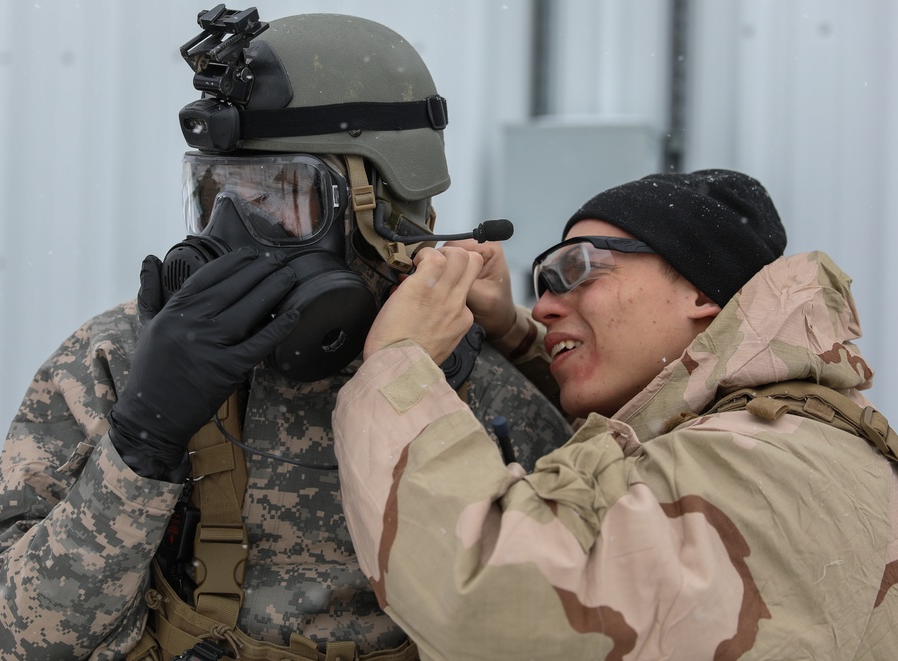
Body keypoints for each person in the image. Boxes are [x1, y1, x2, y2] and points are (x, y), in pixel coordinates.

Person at [0, 7, 571, 661]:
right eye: (217, 191)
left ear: (383, 208)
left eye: (276, 193)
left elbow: (600, 611)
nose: (231, 231)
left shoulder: (481, 388)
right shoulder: (120, 363)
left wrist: (493, 349)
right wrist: (139, 444)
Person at [332, 169, 898, 659]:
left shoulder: (762, 459)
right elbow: (645, 424)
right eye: (542, 284)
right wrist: (510, 328)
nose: (547, 305)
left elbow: (492, 608)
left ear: (701, 290)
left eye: (577, 268)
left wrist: (398, 367)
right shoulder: (785, 422)